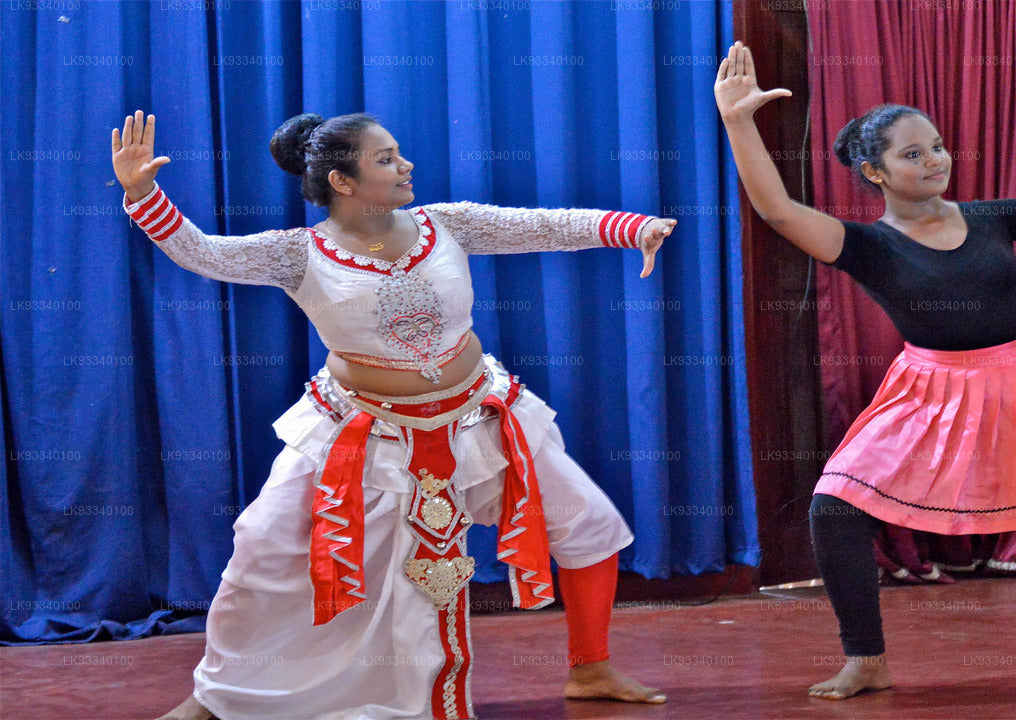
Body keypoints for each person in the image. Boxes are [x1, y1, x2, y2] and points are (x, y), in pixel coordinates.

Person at [112, 109, 673, 720]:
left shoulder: (447, 225)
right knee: (263, 548)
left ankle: (590, 668)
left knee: (587, 522)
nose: (405, 165)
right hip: (359, 432)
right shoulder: (297, 254)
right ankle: (215, 698)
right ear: (342, 182)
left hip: (477, 420)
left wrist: (633, 228)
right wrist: (143, 192)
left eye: (398, 153)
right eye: (385, 159)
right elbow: (201, 252)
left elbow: (544, 225)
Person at [714, 42, 1016, 699]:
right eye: (913, 154)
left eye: (936, 146)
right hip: (931, 392)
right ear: (874, 172)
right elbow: (777, 211)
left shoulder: (996, 217)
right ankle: (867, 660)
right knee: (836, 510)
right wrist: (740, 124)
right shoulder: (868, 247)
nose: (936, 161)